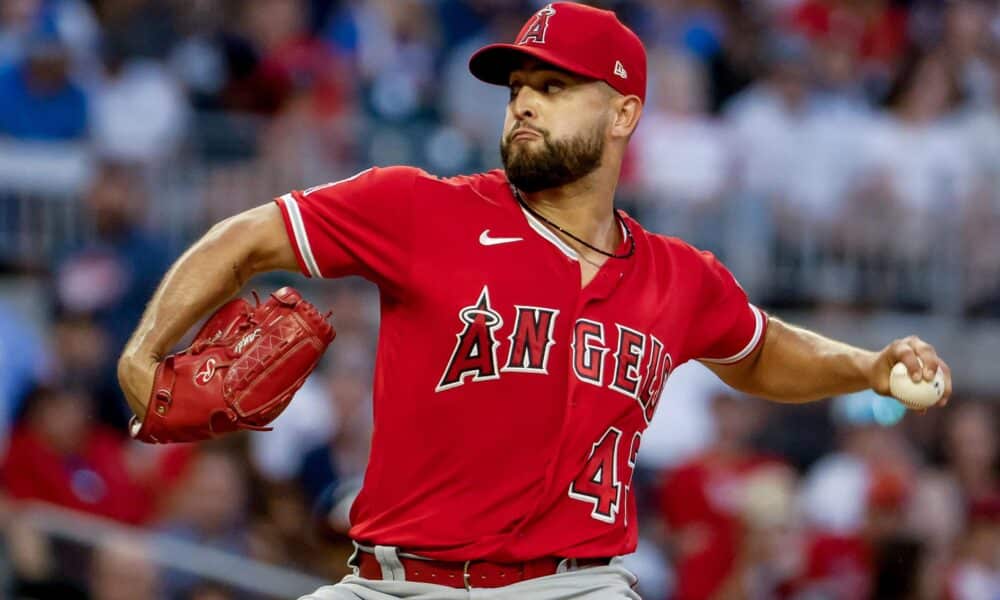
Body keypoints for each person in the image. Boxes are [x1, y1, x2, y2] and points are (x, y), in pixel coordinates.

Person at [117, 4, 952, 599]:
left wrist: (868, 369)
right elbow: (247, 238)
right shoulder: (420, 207)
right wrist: (144, 349)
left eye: (556, 86)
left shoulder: (680, 275)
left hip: (579, 585)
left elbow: (762, 349)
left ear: (624, 112)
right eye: (520, 84)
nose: (523, 102)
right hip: (395, 582)